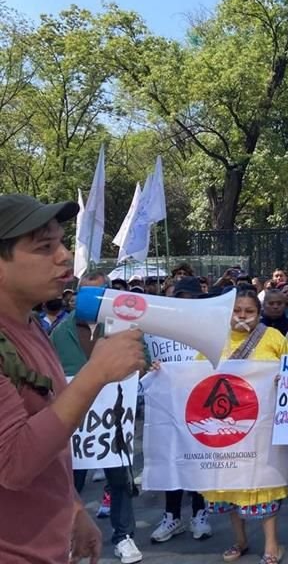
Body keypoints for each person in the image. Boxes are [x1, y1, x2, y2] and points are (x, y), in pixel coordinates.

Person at [0, 193, 146, 563]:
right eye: (44, 246)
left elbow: (50, 439)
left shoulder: (30, 326)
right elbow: (14, 464)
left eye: (61, 242)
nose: (64, 255)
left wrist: (73, 508)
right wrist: (95, 373)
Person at [51, 271, 152, 563]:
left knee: (119, 478)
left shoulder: (125, 329)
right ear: (76, 295)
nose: (92, 300)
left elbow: (140, 360)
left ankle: (124, 537)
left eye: (99, 294)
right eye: (86, 293)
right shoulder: (60, 333)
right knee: (71, 481)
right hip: (76, 424)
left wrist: (139, 368)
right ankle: (69, 536)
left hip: (114, 420)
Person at [202, 290, 288, 564]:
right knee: (231, 483)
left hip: (262, 427)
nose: (242, 316)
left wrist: (282, 378)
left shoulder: (274, 338)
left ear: (259, 313)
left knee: (262, 483)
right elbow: (194, 378)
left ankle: (271, 545)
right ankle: (240, 540)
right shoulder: (213, 340)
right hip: (226, 429)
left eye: (249, 311)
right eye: (237, 310)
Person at [150, 277, 214, 544]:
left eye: (191, 300)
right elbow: (144, 355)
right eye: (181, 299)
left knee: (197, 457)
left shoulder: (209, 327)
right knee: (171, 458)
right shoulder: (157, 328)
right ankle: (172, 515)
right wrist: (149, 365)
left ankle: (200, 513)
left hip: (200, 401)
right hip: (168, 403)